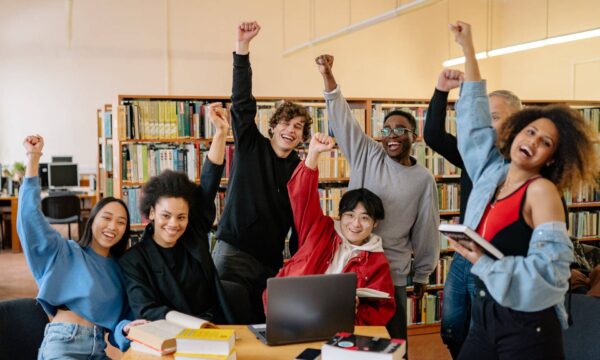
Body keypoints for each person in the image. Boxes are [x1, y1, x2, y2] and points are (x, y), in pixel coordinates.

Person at [449, 21, 600, 359]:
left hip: (527, 325)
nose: (533, 142)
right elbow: (473, 121)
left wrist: (482, 262)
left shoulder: (542, 191)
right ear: (515, 132)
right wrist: (468, 48)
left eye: (545, 142)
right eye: (530, 132)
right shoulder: (492, 172)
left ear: (552, 157)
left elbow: (552, 275)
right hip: (486, 313)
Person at [315, 54, 440, 342]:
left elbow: (426, 228)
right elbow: (342, 118)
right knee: (345, 340)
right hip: (352, 264)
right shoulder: (367, 153)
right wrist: (328, 75)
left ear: (414, 136)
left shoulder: (423, 179)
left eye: (400, 130)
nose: (392, 135)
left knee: (390, 343)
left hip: (391, 271)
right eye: (386, 130)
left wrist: (422, 274)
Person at [212, 21, 313, 323]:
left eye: (298, 127)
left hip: (271, 263)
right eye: (286, 123)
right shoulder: (251, 145)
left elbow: (301, 221)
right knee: (226, 325)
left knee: (263, 328)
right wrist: (242, 49)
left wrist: (296, 264)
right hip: (233, 254)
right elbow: (242, 102)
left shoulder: (300, 169)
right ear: (273, 126)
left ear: (302, 136)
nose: (291, 130)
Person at [17, 134, 145, 359]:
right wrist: (33, 157)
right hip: (64, 342)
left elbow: (119, 327)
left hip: (98, 349)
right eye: (106, 218)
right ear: (92, 220)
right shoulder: (64, 252)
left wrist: (125, 328)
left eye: (121, 222)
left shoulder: (121, 270)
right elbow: (29, 217)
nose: (112, 226)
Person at [423, 70, 522, 358]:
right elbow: (433, 136)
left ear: (516, 122)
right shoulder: (472, 155)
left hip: (494, 257)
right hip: (463, 254)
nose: (485, 124)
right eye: (482, 117)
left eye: (494, 117)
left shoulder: (523, 163)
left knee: (483, 330)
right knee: (452, 327)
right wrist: (442, 91)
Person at [119, 103, 235, 323]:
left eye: (181, 217)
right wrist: (190, 322)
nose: (173, 224)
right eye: (165, 215)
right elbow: (144, 308)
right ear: (151, 212)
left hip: (217, 328)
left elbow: (209, 182)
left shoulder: (194, 234)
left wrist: (221, 133)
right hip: (170, 333)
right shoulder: (133, 260)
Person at [264, 133, 396, 325]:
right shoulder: (319, 229)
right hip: (291, 313)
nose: (355, 224)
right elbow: (302, 196)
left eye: (365, 218)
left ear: (375, 223)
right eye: (350, 215)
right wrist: (313, 154)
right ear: (340, 216)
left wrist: (353, 315)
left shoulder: (377, 260)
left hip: (337, 326)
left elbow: (381, 309)